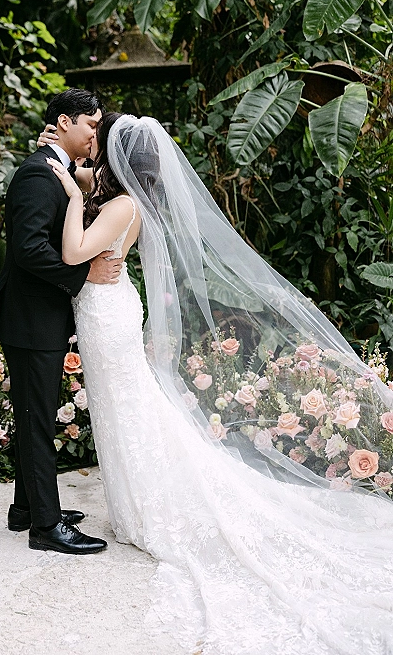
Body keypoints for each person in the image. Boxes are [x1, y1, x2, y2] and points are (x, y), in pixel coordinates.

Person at [42, 112, 393, 655]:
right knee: (122, 408)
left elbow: (72, 252)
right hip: (106, 312)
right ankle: (133, 501)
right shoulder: (126, 200)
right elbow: (98, 204)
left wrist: (69, 195)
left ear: (114, 165)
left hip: (106, 318)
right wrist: (80, 180)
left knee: (127, 408)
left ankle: (147, 506)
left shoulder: (119, 207)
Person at [0, 89, 122, 555]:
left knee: (34, 416)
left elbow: (97, 177)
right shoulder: (36, 174)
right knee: (38, 422)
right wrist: (84, 272)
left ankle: (27, 507)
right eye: (90, 124)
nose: (95, 133)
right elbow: (28, 250)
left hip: (40, 317)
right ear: (65, 122)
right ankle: (45, 528)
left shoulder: (57, 168)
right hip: (29, 320)